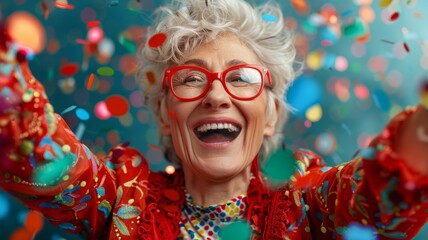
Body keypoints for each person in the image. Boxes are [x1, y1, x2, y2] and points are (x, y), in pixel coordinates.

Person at [0, 0, 427, 239]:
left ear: (273, 113)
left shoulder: (309, 203)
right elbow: (37, 151)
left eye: (241, 78)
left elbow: (379, 191)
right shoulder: (121, 197)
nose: (216, 95)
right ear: (167, 115)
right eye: (190, 79)